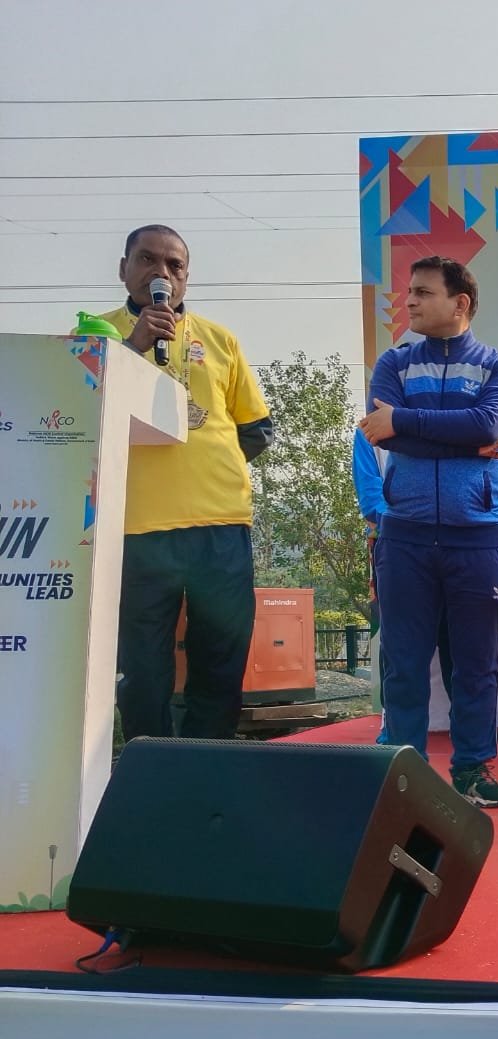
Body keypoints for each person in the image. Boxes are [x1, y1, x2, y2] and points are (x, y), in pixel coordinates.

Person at [98, 225, 274, 741]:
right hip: (135, 528)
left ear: (186, 277)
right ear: (124, 269)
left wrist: (207, 467)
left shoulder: (220, 340)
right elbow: (78, 414)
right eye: (147, 260)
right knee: (141, 668)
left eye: (174, 265)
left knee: (221, 658)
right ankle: (149, 769)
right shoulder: (97, 336)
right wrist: (132, 347)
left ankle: (207, 765)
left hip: (220, 525)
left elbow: (256, 429)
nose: (162, 273)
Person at [358, 256, 498, 808]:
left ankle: (472, 769)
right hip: (403, 535)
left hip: (477, 537)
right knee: (404, 664)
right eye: (409, 291)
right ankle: (406, 775)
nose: (409, 301)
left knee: (475, 666)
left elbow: (487, 424)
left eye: (423, 292)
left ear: (460, 303)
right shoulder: (394, 362)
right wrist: (469, 441)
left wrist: (406, 422)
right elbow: (380, 433)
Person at [351, 434, 453, 745]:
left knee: (457, 643)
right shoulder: (368, 433)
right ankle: (396, 730)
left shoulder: (450, 420)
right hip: (397, 548)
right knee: (399, 647)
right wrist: (406, 525)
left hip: (453, 544)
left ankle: (466, 730)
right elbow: (370, 497)